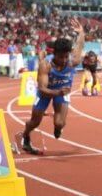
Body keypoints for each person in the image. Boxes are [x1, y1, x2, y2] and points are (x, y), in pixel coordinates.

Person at [15, 21, 84, 156]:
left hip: (61, 93)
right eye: (60, 57)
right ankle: (26, 134)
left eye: (66, 56)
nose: (64, 60)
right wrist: (57, 92)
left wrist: (81, 32)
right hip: (46, 93)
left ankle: (58, 129)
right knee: (35, 121)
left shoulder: (72, 61)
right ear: (54, 54)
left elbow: (80, 45)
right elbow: (41, 88)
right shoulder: (46, 65)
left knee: (59, 123)